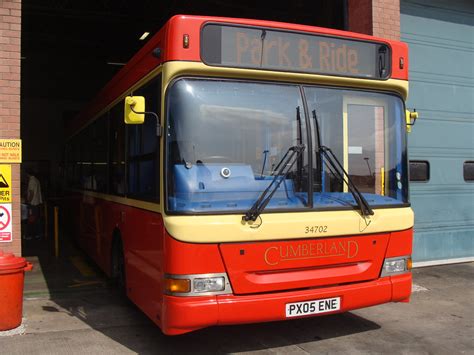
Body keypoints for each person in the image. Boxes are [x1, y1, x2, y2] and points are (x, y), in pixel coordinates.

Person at [25, 169, 43, 240]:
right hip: (37, 203)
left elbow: (31, 192)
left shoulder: (31, 181)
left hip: (33, 203)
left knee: (31, 220)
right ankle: (38, 234)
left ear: (28, 174)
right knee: (37, 219)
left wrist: (28, 201)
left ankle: (30, 235)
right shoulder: (37, 180)